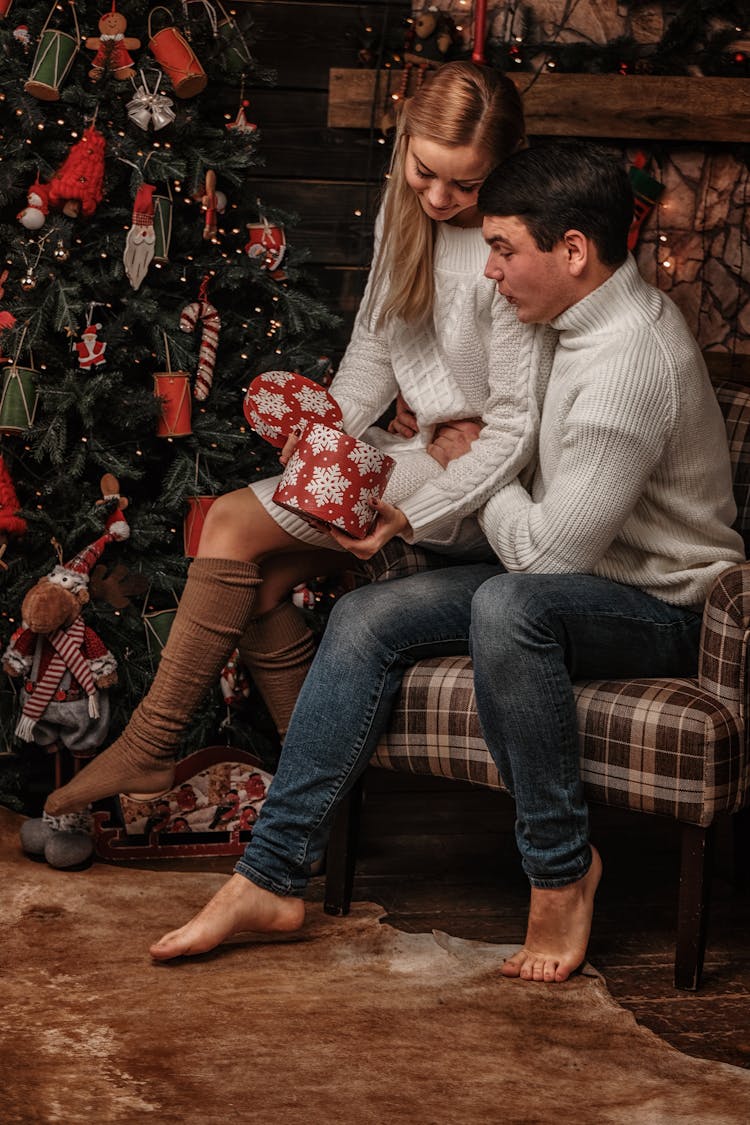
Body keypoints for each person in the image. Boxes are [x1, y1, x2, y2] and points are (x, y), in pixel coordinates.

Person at [146, 140, 745, 980]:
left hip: (661, 604)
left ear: (573, 251)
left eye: (503, 248)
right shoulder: (564, 323)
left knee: (510, 606)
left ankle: (562, 868)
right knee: (362, 617)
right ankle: (270, 875)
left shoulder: (626, 365)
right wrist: (445, 465)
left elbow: (542, 558)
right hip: (578, 576)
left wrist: (469, 469)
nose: (489, 270)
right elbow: (507, 447)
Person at [44, 61, 554, 819]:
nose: (441, 198)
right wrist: (324, 437)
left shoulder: (514, 241)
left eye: (467, 184)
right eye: (426, 172)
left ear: (503, 170)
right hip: (418, 451)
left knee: (228, 524)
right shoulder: (403, 214)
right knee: (263, 584)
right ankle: (321, 800)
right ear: (406, 141)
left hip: (476, 480)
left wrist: (440, 444)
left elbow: (518, 418)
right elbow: (375, 356)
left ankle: (151, 742)